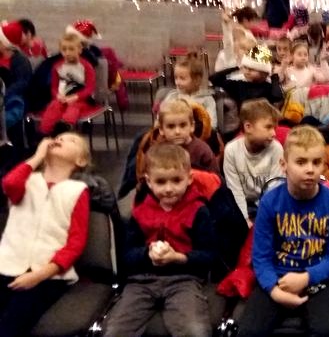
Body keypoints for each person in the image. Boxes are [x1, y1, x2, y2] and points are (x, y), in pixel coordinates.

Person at [238, 126, 329, 337]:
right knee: (248, 331)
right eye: (301, 162)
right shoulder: (270, 202)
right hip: (278, 277)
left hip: (319, 280)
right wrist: (274, 290)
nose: (310, 169)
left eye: (316, 162)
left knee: (327, 330)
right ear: (284, 165)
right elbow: (260, 257)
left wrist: (306, 278)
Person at [102, 143, 215, 336]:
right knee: (115, 331)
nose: (169, 189)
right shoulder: (140, 212)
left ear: (189, 179)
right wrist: (148, 254)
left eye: (176, 180)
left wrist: (179, 258)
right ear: (149, 181)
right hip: (141, 282)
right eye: (161, 182)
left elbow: (209, 255)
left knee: (194, 331)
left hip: (184, 280)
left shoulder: (198, 211)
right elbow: (126, 256)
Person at [0, 133, 90, 336]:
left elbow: (75, 243)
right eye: (58, 137)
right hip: (6, 264)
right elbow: (10, 184)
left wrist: (39, 275)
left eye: (71, 140)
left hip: (47, 275)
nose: (60, 139)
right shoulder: (27, 180)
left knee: (11, 323)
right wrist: (37, 157)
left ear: (80, 161)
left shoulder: (77, 190)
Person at [223, 99, 284, 221]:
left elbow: (274, 188)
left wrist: (263, 218)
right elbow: (234, 189)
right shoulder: (231, 150)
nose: (274, 133)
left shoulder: (276, 148)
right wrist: (244, 219)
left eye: (274, 128)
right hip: (242, 205)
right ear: (248, 127)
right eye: (268, 127)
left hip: (267, 205)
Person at [39, 32, 95, 135]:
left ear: (79, 50)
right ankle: (45, 131)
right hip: (62, 97)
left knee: (73, 108)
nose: (67, 53)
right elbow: (54, 87)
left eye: (71, 49)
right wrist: (58, 96)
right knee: (53, 106)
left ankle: (65, 126)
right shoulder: (57, 66)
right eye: (64, 50)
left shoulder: (86, 66)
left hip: (81, 100)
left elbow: (89, 88)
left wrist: (76, 97)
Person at [152, 98, 219, 174]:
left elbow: (215, 178)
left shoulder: (202, 151)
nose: (177, 132)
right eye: (171, 126)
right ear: (161, 129)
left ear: (192, 126)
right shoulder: (158, 151)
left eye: (183, 125)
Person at [209, 45, 283, 109]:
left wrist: (274, 78)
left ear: (264, 72)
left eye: (252, 69)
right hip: (244, 120)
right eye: (246, 68)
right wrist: (237, 67)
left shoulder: (268, 87)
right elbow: (214, 79)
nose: (247, 71)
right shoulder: (239, 86)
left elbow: (277, 97)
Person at [156, 53, 217, 128]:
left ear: (197, 80)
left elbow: (212, 124)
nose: (177, 82)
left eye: (182, 78)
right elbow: (160, 118)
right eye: (176, 78)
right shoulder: (173, 96)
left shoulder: (207, 99)